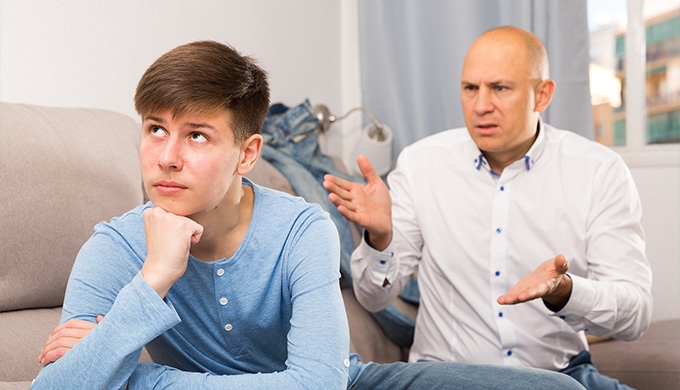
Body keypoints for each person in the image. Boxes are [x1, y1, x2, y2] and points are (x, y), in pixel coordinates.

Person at [32, 40, 586, 390]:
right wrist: (153, 279)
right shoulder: (116, 247)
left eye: (196, 134)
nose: (167, 157)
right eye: (155, 129)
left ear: (248, 154)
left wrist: (142, 380)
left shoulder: (302, 227)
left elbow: (319, 384)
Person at [323, 26, 652, 390]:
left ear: (542, 95)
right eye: (470, 88)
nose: (480, 106)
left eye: (500, 88)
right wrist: (380, 239)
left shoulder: (598, 171)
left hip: (559, 374)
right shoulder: (421, 164)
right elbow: (372, 297)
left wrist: (566, 292)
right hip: (448, 378)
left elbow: (635, 315)